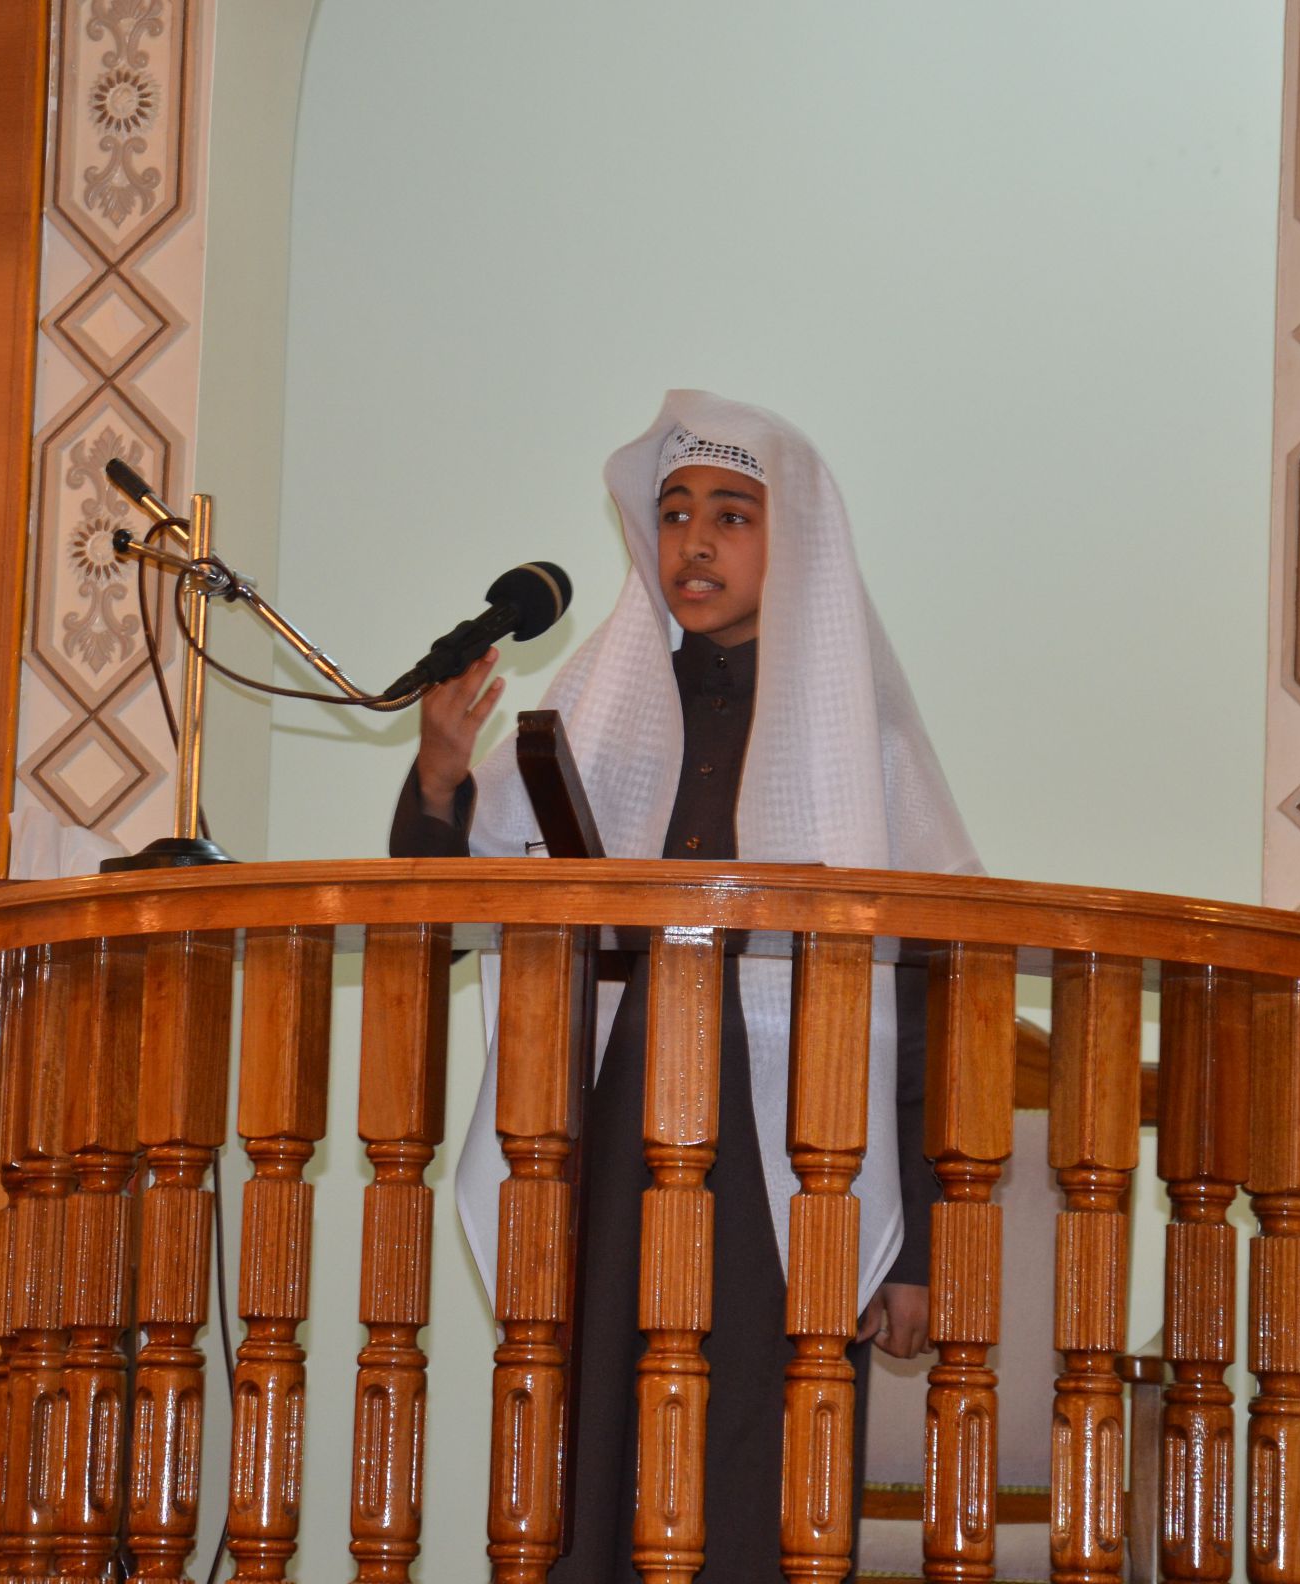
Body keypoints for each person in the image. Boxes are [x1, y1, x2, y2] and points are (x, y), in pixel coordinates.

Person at [389, 391, 981, 1581]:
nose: (695, 542)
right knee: (596, 1437)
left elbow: (928, 1001)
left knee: (759, 1448)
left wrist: (917, 1242)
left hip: (795, 1152)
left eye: (731, 515)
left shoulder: (862, 742)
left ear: (792, 539)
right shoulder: (594, 719)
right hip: (614, 1134)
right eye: (673, 514)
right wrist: (444, 782)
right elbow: (446, 921)